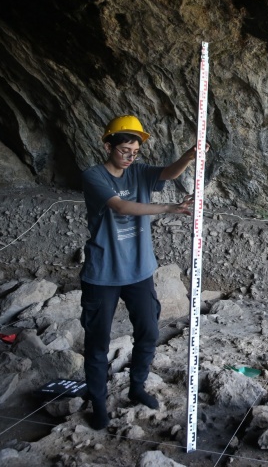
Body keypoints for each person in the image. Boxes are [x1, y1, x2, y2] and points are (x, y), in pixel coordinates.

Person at [80, 115, 206, 430]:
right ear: (108, 146)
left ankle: (137, 387)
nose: (131, 155)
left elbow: (168, 171)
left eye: (135, 150)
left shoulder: (139, 172)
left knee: (149, 331)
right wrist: (168, 208)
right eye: (125, 149)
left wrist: (190, 156)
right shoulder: (93, 176)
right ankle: (98, 403)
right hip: (103, 273)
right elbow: (120, 207)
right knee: (97, 342)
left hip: (139, 270)